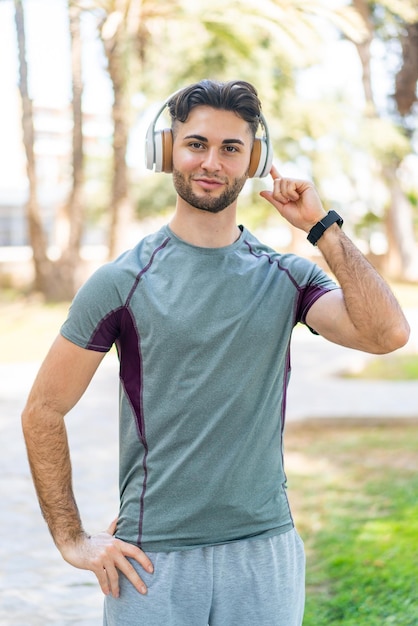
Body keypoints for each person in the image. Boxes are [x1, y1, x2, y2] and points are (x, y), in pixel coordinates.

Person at [22, 79, 410, 626]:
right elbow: (42, 410)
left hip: (264, 553)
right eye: (196, 144)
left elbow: (387, 334)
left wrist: (321, 228)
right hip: (152, 560)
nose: (212, 162)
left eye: (231, 148)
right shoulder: (122, 282)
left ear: (254, 160)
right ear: (167, 152)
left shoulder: (287, 277)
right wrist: (71, 537)